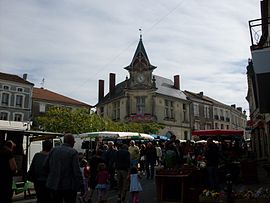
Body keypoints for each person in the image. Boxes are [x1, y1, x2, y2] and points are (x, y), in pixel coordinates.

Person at [44, 134, 83, 203]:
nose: (74, 143)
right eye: (74, 141)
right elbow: (76, 171)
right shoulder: (73, 152)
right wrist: (81, 184)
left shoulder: (53, 150)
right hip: (68, 186)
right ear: (71, 142)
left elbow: (45, 166)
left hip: (53, 184)